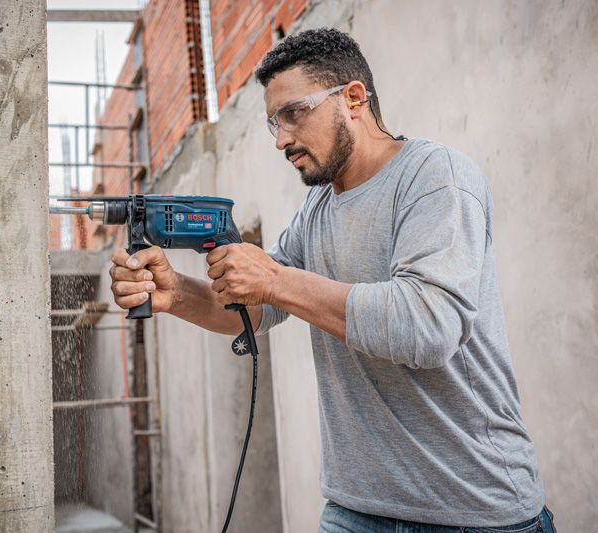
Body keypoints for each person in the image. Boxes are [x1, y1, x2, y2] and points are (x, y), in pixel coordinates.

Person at [110, 27, 556, 533]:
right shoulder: (317, 208)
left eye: (294, 114)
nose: (281, 139)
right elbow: (255, 308)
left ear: (353, 98)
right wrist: (178, 294)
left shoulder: (435, 178)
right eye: (273, 123)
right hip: (354, 508)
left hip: (473, 510)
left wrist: (276, 280)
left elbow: (428, 327)